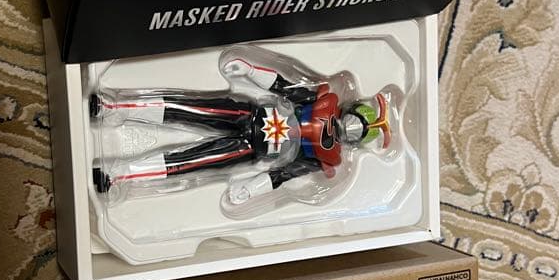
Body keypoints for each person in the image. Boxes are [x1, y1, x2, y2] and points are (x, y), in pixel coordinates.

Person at [90, 50, 391, 208]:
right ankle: (114, 108)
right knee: (186, 109)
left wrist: (251, 190)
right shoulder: (319, 100)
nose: (350, 129)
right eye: (358, 121)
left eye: (359, 131)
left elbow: (282, 175)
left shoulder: (323, 157)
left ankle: (120, 175)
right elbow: (282, 86)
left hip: (248, 151)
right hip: (246, 114)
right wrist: (250, 71)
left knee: (188, 164)